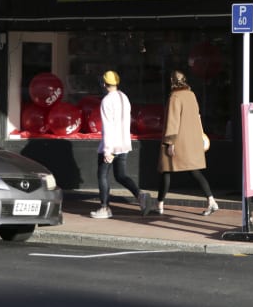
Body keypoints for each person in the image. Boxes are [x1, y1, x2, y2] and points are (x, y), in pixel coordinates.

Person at [155, 69, 219, 216]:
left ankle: (159, 205)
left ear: (172, 81)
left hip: (177, 141)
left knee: (166, 170)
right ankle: (211, 200)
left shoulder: (174, 97)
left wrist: (170, 142)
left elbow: (173, 120)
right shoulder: (191, 95)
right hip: (191, 140)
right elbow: (197, 116)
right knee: (194, 170)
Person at [90, 70, 152, 219]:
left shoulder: (107, 100)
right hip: (124, 143)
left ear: (104, 84)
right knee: (121, 175)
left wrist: (107, 150)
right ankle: (140, 195)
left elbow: (108, 126)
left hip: (111, 144)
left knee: (102, 175)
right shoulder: (124, 97)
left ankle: (105, 208)